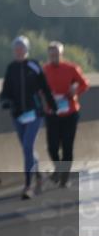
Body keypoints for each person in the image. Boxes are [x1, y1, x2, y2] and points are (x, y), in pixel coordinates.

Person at [0, 36, 57, 200]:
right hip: (18, 115)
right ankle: (38, 176)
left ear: (26, 50)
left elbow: (45, 87)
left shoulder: (33, 65)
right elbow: (5, 90)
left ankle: (28, 185)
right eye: (16, 49)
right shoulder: (10, 68)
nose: (18, 52)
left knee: (27, 146)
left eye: (21, 49)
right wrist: (5, 101)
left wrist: (52, 106)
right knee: (28, 150)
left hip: (35, 113)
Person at [42, 41, 90, 188]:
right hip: (52, 113)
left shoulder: (71, 68)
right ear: (48, 56)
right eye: (51, 55)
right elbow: (37, 89)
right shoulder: (44, 70)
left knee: (67, 146)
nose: (54, 57)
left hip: (70, 112)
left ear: (61, 54)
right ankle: (58, 168)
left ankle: (64, 177)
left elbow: (84, 84)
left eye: (56, 54)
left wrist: (75, 91)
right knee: (52, 146)